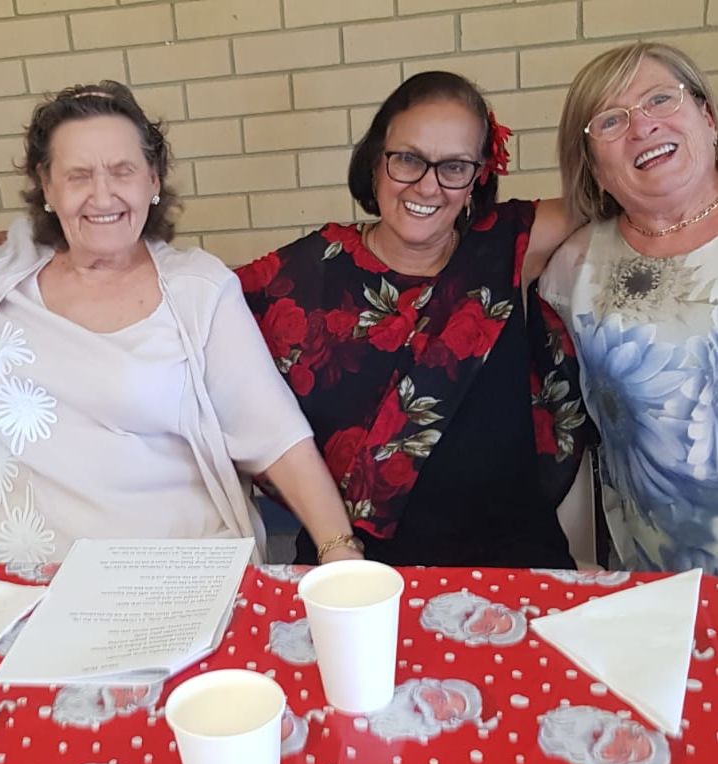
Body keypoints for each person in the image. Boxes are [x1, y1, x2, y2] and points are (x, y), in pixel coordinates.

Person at [0, 81, 361, 564]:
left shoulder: (198, 290)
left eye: (123, 171)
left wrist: (338, 549)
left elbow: (278, 438)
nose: (103, 195)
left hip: (155, 579)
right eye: (78, 175)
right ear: (48, 187)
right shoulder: (3, 273)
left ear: (153, 180)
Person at [238, 71, 589, 567]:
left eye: (454, 167)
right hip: (354, 563)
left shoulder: (508, 244)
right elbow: (193, 315)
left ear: (478, 177)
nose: (428, 185)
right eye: (408, 159)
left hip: (514, 560)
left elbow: (619, 191)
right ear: (376, 162)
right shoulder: (298, 277)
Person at [540, 43, 718, 573]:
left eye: (661, 99)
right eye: (611, 121)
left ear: (707, 118)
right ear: (593, 167)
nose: (642, 127)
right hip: (662, 571)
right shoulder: (573, 268)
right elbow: (562, 427)